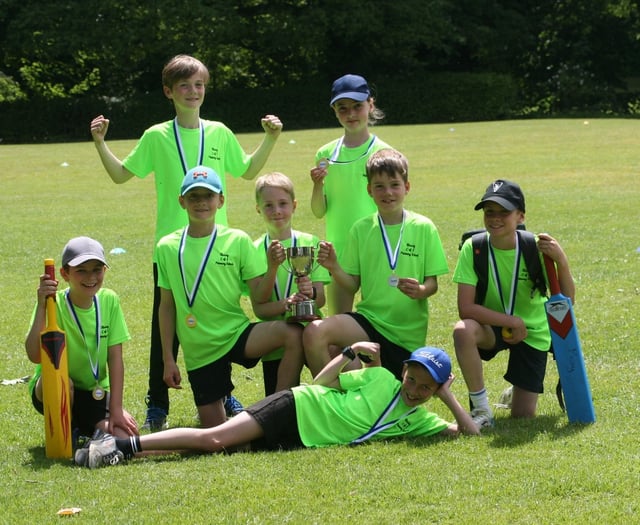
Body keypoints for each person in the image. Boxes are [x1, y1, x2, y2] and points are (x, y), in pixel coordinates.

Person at [89, 54, 283, 430]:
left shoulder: (220, 132)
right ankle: (157, 404)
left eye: (199, 85)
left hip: (217, 246)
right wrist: (100, 143)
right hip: (173, 249)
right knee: (166, 324)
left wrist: (270, 138)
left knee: (222, 318)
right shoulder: (156, 136)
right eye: (184, 86)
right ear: (169, 92)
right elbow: (120, 176)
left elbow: (247, 171)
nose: (193, 92)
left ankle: (222, 393)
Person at [74, 342, 480, 468]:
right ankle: (122, 447)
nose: (413, 389)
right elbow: (321, 382)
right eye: (412, 378)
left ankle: (122, 453)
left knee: (219, 448)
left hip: (299, 439)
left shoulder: (419, 419)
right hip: (295, 407)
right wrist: (348, 352)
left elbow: (468, 433)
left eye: (425, 388)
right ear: (403, 371)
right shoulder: (381, 380)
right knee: (215, 439)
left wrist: (445, 394)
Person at [155, 165, 305, 429]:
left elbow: (259, 295)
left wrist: (271, 268)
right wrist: (168, 359)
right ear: (182, 201)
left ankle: (277, 414)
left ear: (220, 200)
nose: (201, 202)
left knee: (292, 334)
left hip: (236, 334)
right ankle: (245, 424)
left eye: (208, 196)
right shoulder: (167, 247)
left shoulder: (237, 240)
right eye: (194, 196)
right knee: (217, 436)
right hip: (200, 350)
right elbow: (166, 307)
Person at [303, 148, 449, 380]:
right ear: (369, 190)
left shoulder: (424, 227)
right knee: (315, 333)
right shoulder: (361, 229)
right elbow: (351, 286)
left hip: (405, 337)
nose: (387, 192)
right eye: (379, 186)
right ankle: (333, 401)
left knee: (387, 396)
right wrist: (334, 267)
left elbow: (433, 284)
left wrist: (421, 290)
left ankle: (361, 391)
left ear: (407, 187)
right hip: (369, 322)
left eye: (394, 185)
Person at [452, 179, 576, 428]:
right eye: (489, 212)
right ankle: (481, 409)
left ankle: (515, 391)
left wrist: (561, 260)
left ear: (520, 216)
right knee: (462, 330)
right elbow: (466, 308)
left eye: (504, 212)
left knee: (522, 417)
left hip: (533, 331)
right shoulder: (473, 248)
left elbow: (567, 301)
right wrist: (511, 321)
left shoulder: (535, 247)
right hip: (492, 325)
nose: (495, 218)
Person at [25, 237, 138, 442]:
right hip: (53, 387)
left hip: (92, 390)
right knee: (63, 382)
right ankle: (69, 431)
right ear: (64, 274)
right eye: (81, 270)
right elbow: (34, 355)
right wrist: (42, 305)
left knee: (125, 437)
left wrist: (116, 409)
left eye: (97, 269)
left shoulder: (109, 300)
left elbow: (115, 358)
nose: (90, 277)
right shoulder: (53, 303)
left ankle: (82, 430)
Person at [309, 74, 392, 315]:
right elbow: (318, 211)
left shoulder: (384, 153)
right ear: (334, 111)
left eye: (358, 106)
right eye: (342, 108)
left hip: (376, 246)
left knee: (379, 321)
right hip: (338, 251)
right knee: (338, 323)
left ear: (371, 105)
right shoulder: (325, 154)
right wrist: (316, 185)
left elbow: (392, 203)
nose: (351, 114)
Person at [253, 172, 331, 395]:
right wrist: (287, 303)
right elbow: (260, 309)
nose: (276, 210)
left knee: (326, 391)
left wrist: (311, 293)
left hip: (312, 332)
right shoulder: (253, 249)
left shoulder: (310, 243)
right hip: (276, 342)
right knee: (279, 398)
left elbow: (322, 299)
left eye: (283, 204)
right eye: (268, 205)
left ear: (294, 205)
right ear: (258, 209)